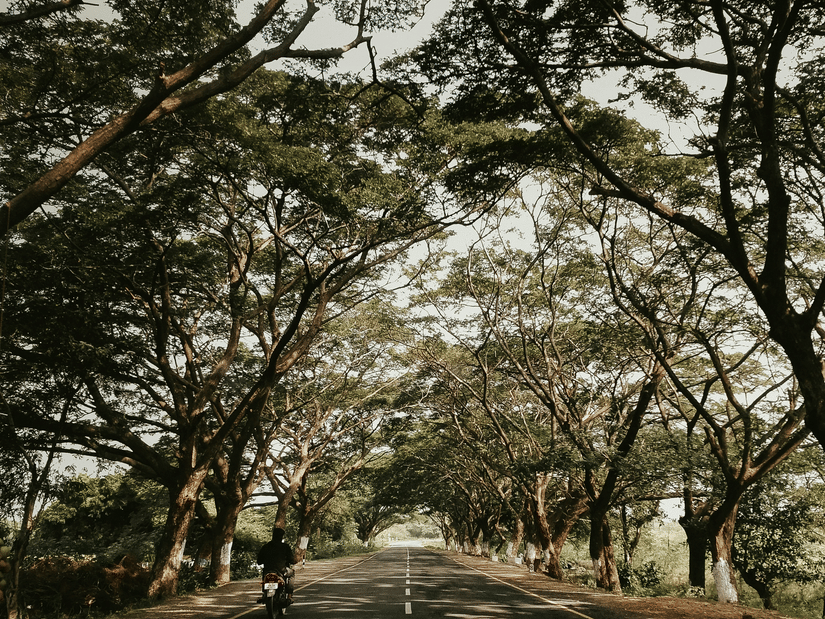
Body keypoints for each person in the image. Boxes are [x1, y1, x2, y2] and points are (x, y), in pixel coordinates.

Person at [257, 526, 295, 604]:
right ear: (281, 537)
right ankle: (290, 596)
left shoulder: (266, 547)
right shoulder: (285, 547)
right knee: (292, 574)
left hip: (267, 571)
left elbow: (259, 561)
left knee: (264, 578)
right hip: (281, 570)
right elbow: (292, 560)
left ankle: (264, 594)